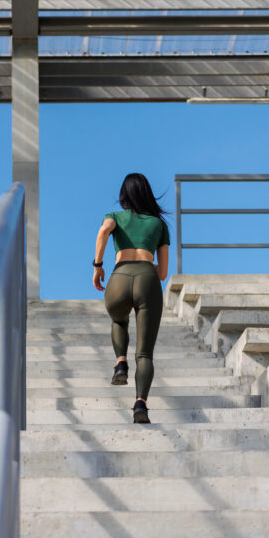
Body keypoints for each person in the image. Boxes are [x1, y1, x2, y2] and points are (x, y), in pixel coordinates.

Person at [92, 173, 170, 424]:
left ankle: (120, 363)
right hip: (148, 277)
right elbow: (164, 273)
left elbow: (104, 231)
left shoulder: (114, 217)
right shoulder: (159, 224)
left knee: (119, 320)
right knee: (145, 354)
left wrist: (98, 265)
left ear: (124, 196)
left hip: (119, 276)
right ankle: (140, 405)